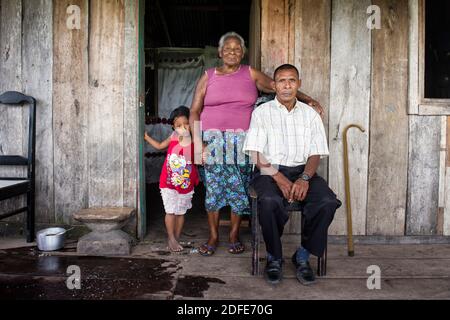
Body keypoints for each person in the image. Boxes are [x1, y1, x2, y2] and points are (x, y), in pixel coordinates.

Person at [189, 31, 325, 257]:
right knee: (213, 190)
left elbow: (280, 86)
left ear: (243, 53)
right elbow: (194, 110)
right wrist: (196, 142)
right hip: (211, 141)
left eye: (237, 48)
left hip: (242, 141)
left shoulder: (249, 73)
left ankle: (233, 234)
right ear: (220, 52)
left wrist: (308, 99)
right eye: (228, 48)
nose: (232, 52)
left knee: (239, 189)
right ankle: (213, 236)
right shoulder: (208, 75)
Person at [243, 64, 341, 285]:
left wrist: (305, 178)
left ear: (299, 84)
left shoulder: (310, 115)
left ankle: (303, 255)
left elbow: (316, 152)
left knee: (326, 201)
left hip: (303, 171)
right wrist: (279, 178)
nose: (287, 85)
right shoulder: (261, 113)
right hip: (269, 171)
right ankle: (274, 257)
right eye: (281, 81)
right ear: (274, 85)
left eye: (291, 80)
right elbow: (256, 155)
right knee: (268, 201)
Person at [144, 106, 200, 253]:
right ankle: (171, 238)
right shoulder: (173, 136)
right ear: (173, 127)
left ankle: (176, 238)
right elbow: (159, 146)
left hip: (186, 184)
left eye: (186, 124)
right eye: (178, 125)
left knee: (181, 212)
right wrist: (146, 137)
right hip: (168, 182)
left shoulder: (195, 139)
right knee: (170, 211)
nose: (183, 128)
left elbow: (199, 159)